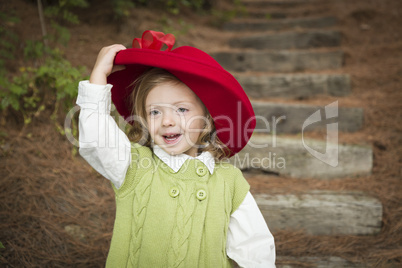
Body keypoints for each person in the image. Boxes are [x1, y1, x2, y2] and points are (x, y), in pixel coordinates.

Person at [77, 30, 275, 267]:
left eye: (181, 109)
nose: (167, 121)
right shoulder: (133, 166)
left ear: (207, 119)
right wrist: (98, 78)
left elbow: (254, 246)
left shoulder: (229, 182)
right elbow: (96, 139)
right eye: (155, 112)